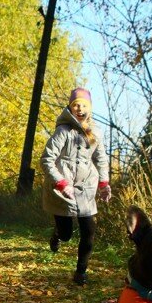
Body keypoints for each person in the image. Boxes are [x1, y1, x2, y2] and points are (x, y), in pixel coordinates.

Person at [41, 88, 111, 285]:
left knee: (89, 230)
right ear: (70, 108)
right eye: (75, 105)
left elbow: (101, 159)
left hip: (86, 187)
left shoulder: (95, 132)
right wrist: (61, 182)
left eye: (83, 105)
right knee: (66, 235)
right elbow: (46, 159)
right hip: (61, 189)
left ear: (89, 108)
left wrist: (104, 183)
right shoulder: (63, 132)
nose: (79, 108)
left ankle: (81, 272)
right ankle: (57, 233)